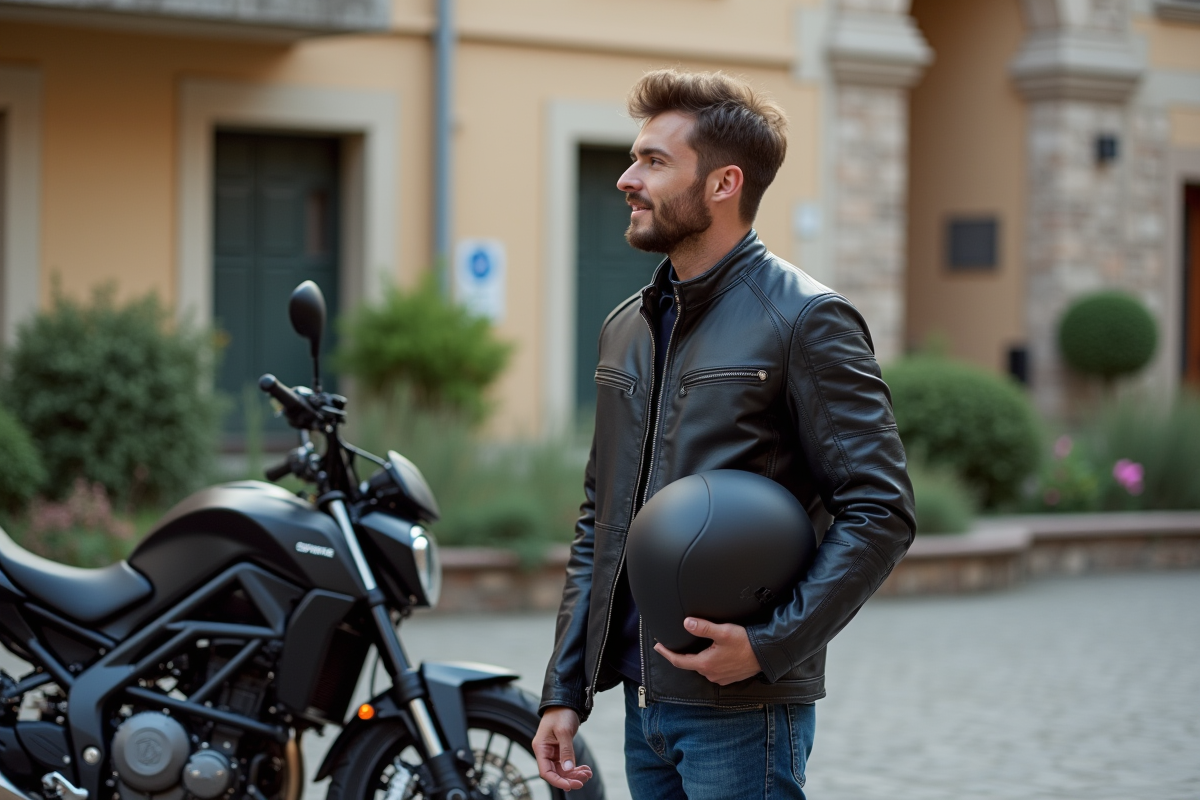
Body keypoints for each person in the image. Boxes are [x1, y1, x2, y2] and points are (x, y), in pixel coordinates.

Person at [533, 68, 916, 799]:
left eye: (654, 161)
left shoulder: (806, 320)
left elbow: (881, 509)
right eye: (633, 157)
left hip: (742, 713)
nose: (626, 179)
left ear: (722, 184)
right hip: (643, 705)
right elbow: (601, 521)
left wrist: (769, 646)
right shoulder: (626, 328)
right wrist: (565, 688)